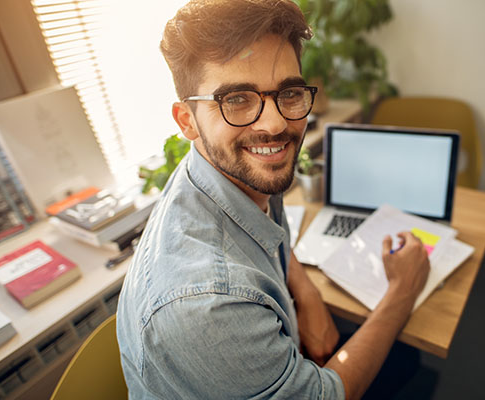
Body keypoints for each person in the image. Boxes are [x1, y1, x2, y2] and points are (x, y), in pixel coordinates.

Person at [116, 1, 430, 399]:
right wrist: (403, 290)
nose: (276, 124)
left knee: (407, 361)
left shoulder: (229, 175)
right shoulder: (206, 305)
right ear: (187, 122)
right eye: (236, 100)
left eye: (289, 92)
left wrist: (308, 293)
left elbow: (265, 232)